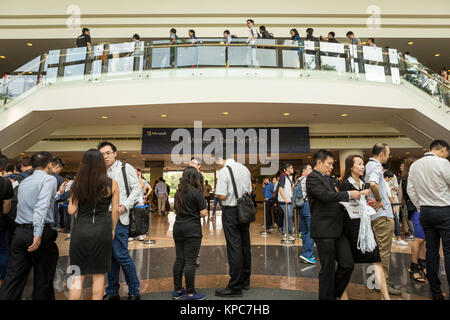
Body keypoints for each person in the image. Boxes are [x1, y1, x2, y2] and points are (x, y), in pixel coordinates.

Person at [0, 152, 59, 300]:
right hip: (38, 232)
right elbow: (41, 207)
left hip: (20, 232)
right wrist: (37, 234)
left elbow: (27, 204)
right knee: (43, 279)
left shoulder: (25, 181)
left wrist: (57, 195)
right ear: (49, 164)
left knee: (13, 278)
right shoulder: (49, 179)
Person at [306, 149, 361, 300]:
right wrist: (349, 194)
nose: (331, 167)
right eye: (329, 164)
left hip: (337, 229)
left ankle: (333, 294)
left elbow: (334, 198)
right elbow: (325, 196)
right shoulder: (312, 178)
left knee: (347, 264)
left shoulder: (328, 179)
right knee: (328, 269)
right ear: (319, 163)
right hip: (324, 230)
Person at [68, 149, 119, 300]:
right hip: (102, 229)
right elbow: (115, 210)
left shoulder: (77, 184)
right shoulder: (112, 183)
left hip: (81, 230)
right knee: (99, 275)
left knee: (77, 274)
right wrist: (113, 229)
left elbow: (71, 210)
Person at [338, 155, 390, 300]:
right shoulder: (344, 184)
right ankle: (343, 296)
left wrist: (369, 201)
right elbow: (341, 203)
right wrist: (359, 195)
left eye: (363, 164)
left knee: (376, 258)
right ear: (351, 167)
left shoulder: (364, 183)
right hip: (349, 227)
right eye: (359, 164)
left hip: (365, 227)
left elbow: (363, 203)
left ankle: (386, 297)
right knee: (346, 265)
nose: (362, 167)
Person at [98, 141, 142, 300]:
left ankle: (134, 291)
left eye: (108, 153)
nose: (105, 156)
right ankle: (112, 291)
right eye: (102, 154)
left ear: (115, 153)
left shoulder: (125, 168)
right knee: (110, 256)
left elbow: (137, 188)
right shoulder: (101, 172)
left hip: (120, 217)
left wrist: (125, 205)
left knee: (121, 255)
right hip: (104, 218)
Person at [408, 139, 450, 300]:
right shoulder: (443, 163)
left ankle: (436, 293)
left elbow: (411, 190)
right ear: (443, 150)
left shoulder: (415, 165)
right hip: (444, 210)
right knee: (448, 251)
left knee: (431, 252)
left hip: (425, 212)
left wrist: (421, 207)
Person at [365, 142, 402, 295]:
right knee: (383, 250)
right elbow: (373, 184)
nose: (388, 156)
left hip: (377, 215)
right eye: (388, 154)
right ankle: (382, 282)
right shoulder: (375, 166)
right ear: (381, 154)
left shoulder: (370, 165)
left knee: (380, 249)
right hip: (382, 215)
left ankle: (378, 279)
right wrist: (380, 199)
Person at [214, 154, 252, 297]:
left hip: (231, 211)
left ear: (220, 158)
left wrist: (217, 195)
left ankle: (235, 286)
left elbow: (222, 195)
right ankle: (245, 281)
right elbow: (249, 191)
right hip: (244, 210)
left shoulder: (224, 171)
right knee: (245, 245)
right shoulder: (244, 168)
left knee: (234, 247)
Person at [172, 167, 208, 300]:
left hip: (178, 228)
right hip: (192, 230)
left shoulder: (178, 193)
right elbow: (204, 212)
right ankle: (191, 293)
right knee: (190, 262)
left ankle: (177, 290)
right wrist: (193, 213)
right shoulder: (196, 193)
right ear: (195, 178)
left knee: (179, 259)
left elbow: (176, 211)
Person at [401, 157, 427, 283]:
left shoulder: (415, 178)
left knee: (423, 239)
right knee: (419, 239)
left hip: (422, 210)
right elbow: (411, 196)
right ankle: (413, 267)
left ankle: (422, 264)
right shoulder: (406, 180)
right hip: (416, 210)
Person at [296, 164, 316, 264]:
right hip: (307, 205)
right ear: (304, 170)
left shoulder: (298, 180)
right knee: (310, 230)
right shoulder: (308, 180)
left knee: (304, 231)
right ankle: (308, 255)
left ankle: (305, 252)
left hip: (301, 206)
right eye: (310, 168)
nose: (311, 170)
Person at [0, 154, 14, 287]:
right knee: (3, 251)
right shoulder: (5, 183)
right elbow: (6, 209)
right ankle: (2, 280)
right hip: (1, 223)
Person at [383, 170, 407, 246]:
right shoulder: (386, 184)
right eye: (390, 178)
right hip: (389, 205)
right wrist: (393, 206)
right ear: (387, 177)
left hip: (385, 205)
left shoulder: (381, 184)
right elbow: (390, 197)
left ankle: (392, 237)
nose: (390, 180)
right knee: (396, 220)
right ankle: (398, 238)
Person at [278, 163, 295, 241]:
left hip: (289, 200)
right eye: (291, 167)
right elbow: (280, 189)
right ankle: (286, 233)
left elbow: (288, 189)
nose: (292, 168)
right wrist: (285, 199)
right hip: (284, 201)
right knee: (288, 215)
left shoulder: (289, 177)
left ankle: (287, 233)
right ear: (287, 169)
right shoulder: (282, 176)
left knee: (289, 216)